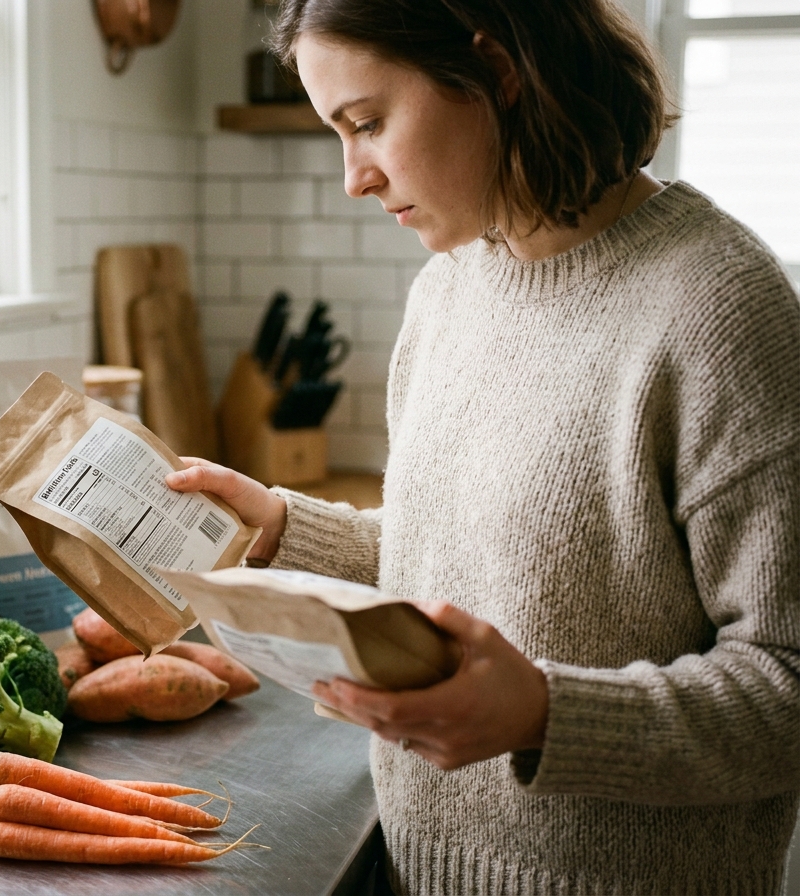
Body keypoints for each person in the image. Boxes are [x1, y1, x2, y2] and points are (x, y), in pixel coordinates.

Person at [165, 0, 800, 891]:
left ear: (496, 72)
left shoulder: (720, 310)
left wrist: (545, 715)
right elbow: (463, 559)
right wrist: (282, 527)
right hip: (414, 870)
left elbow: (785, 678)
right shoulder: (447, 291)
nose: (354, 178)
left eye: (368, 123)